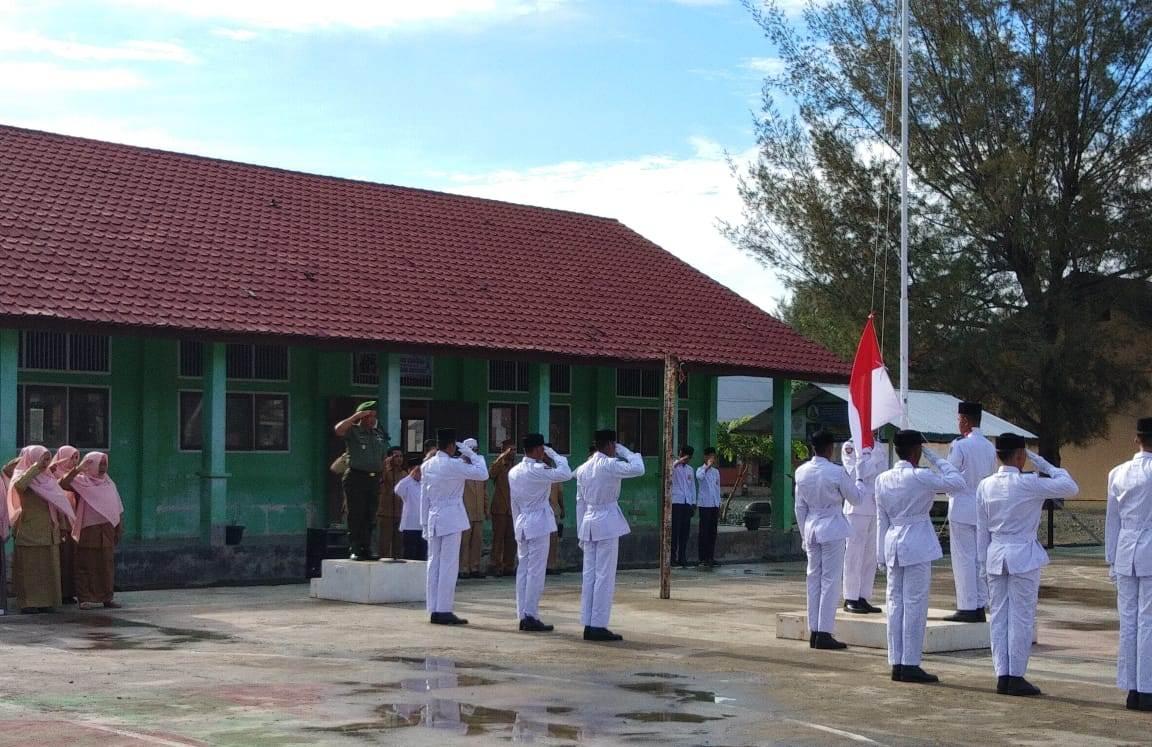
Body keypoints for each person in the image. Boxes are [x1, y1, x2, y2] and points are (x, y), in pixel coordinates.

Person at [977, 434, 1078, 697]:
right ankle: (1016, 675)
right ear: (1021, 456)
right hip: (1022, 554)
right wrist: (1041, 462)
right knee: (1021, 617)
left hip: (995, 554)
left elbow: (981, 530)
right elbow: (1069, 486)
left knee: (999, 617)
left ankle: (1002, 674)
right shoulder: (1029, 483)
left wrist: (981, 564)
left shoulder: (985, 485)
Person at [875, 429, 966, 683]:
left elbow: (881, 519)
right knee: (914, 604)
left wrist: (880, 554)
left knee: (894, 604)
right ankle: (911, 663)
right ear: (916, 451)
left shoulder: (882, 479)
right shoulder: (921, 477)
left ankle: (897, 662)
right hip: (915, 542)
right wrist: (935, 457)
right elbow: (958, 483)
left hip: (892, 541)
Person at [794, 430, 863, 650]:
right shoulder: (836, 471)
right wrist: (858, 478)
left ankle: (815, 630)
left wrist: (805, 535)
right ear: (830, 448)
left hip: (811, 526)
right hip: (832, 527)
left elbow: (799, 507)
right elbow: (856, 498)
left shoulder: (801, 471)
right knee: (830, 581)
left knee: (813, 579)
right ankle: (824, 631)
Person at [575, 429, 645, 642]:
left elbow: (580, 502)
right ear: (609, 445)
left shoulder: (583, 468)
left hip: (588, 522)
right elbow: (638, 468)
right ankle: (598, 625)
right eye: (614, 445)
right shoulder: (608, 465)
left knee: (589, 575)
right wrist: (625, 450)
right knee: (604, 576)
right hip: (605, 522)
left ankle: (588, 623)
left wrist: (580, 531)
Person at [1105, 417, 1152, 711]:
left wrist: (1110, 558)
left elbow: (1113, 520)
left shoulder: (1117, 473)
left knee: (1129, 621)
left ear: (1136, 439)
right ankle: (1147, 687)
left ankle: (1132, 688)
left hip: (1125, 549)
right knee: (1148, 621)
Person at [420, 429, 488, 625]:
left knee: (434, 564)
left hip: (433, 516)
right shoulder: (453, 464)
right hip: (450, 516)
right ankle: (444, 609)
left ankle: (433, 608)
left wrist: (424, 523)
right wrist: (470, 452)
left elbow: (424, 497)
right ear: (452, 446)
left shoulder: (427, 465)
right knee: (449, 565)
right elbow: (482, 473)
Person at [508, 433, 572, 632]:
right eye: (542, 449)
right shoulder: (538, 469)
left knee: (523, 570)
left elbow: (514, 503)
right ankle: (531, 615)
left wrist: (516, 525)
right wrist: (555, 454)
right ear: (538, 450)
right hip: (538, 523)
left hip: (522, 522)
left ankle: (523, 613)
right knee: (535, 572)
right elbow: (566, 473)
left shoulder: (514, 471)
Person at [6, 445, 75, 613]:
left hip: (49, 530)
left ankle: (46, 601)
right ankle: (29, 603)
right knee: (30, 570)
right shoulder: (22, 476)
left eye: (46, 459)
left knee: (47, 569)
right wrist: (34, 467)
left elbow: (59, 501)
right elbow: (19, 485)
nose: (45, 463)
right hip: (30, 530)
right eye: (42, 459)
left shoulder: (47, 478)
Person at [945, 401, 997, 622]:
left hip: (962, 506)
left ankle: (967, 606)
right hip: (982, 507)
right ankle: (979, 604)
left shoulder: (960, 446)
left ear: (965, 420)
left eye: (959, 419)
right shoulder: (989, 446)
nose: (958, 423)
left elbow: (951, 476)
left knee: (963, 558)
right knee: (978, 558)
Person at [60, 452, 125, 610]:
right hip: (88, 530)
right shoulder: (82, 481)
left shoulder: (109, 483)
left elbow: (117, 507)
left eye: (105, 464)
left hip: (107, 530)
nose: (102, 468)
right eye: (99, 464)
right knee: (86, 565)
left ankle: (107, 598)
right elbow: (62, 484)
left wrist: (119, 528)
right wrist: (78, 469)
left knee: (106, 566)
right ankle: (85, 598)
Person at [333, 401, 389, 561]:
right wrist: (356, 416)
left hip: (374, 479)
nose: (372, 419)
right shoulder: (353, 431)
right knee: (356, 513)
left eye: (374, 416)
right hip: (356, 477)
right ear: (362, 416)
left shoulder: (378, 434)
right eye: (369, 416)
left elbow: (383, 457)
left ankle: (367, 547)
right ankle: (355, 547)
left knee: (370, 514)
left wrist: (382, 476)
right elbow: (338, 430)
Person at [841, 439, 888, 614]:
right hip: (857, 506)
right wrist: (873, 461)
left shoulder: (879, 445)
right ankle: (851, 597)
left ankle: (863, 596)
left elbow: (882, 474)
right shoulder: (850, 445)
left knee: (870, 555)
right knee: (854, 554)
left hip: (875, 505)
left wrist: (869, 463)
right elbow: (853, 474)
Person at [48, 445, 80, 605]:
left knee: (70, 559)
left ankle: (69, 592)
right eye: (71, 457)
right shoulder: (51, 476)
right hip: (58, 522)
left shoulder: (78, 477)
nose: (74, 461)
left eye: (76, 458)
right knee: (60, 559)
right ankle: (58, 593)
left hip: (72, 523)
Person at [488, 439, 518, 577]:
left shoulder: (517, 467)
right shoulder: (499, 464)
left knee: (511, 539)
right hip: (500, 508)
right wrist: (502, 457)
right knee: (498, 538)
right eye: (510, 450)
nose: (513, 453)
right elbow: (490, 474)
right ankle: (495, 565)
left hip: (513, 509)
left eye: (514, 450)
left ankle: (509, 566)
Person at [376, 446, 407, 559]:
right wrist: (386, 465)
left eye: (401, 456)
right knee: (384, 543)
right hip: (386, 513)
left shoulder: (404, 474)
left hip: (400, 514)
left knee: (398, 544)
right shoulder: (384, 472)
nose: (399, 459)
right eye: (396, 456)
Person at [670, 445, 696, 568]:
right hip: (676, 502)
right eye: (686, 456)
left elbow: (692, 487)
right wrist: (679, 461)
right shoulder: (675, 466)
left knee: (685, 532)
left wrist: (693, 503)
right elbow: (670, 469)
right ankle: (672, 558)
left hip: (687, 502)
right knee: (675, 531)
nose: (687, 459)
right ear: (681, 453)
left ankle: (682, 557)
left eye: (689, 457)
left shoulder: (690, 469)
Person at [696, 447, 722, 568]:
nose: (713, 459)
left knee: (712, 532)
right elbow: (700, 477)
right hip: (704, 505)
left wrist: (719, 503)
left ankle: (710, 557)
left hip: (714, 505)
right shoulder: (700, 469)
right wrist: (707, 467)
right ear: (705, 457)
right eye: (710, 456)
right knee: (704, 532)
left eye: (714, 457)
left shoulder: (716, 472)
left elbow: (717, 489)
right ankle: (702, 558)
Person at [395, 460, 426, 561]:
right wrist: (410, 476)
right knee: (409, 554)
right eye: (417, 471)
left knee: (422, 555)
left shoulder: (425, 484)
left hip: (423, 526)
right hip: (410, 526)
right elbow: (397, 490)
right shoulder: (407, 484)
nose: (419, 473)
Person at [459, 472, 487, 579]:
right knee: (465, 542)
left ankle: (474, 567)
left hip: (478, 513)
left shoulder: (479, 474)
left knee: (477, 541)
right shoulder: (462, 472)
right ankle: (463, 568)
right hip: (466, 513)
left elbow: (484, 493)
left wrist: (485, 509)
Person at [547, 479, 565, 575]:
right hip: (551, 512)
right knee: (552, 541)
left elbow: (560, 495)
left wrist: (562, 508)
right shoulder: (555, 476)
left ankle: (549, 565)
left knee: (552, 541)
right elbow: (560, 495)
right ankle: (550, 565)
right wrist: (562, 508)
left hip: (550, 512)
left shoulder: (536, 474)